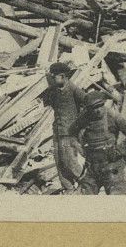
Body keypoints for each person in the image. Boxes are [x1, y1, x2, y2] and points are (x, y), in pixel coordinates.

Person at [69, 92, 126, 195]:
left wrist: (118, 151)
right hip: (92, 166)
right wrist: (79, 147)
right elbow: (71, 133)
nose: (99, 110)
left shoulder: (113, 116)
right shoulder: (84, 118)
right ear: (88, 109)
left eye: (101, 105)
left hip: (111, 165)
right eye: (94, 108)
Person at [42, 62, 96, 192]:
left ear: (63, 76)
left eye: (54, 77)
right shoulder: (54, 90)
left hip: (69, 131)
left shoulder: (74, 90)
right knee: (59, 161)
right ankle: (68, 187)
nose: (52, 79)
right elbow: (48, 103)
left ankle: (87, 184)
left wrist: (82, 124)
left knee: (70, 161)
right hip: (58, 130)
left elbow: (90, 105)